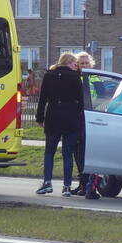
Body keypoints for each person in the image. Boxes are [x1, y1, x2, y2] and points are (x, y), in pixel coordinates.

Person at [35, 53, 84, 196]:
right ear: (68, 62)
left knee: (49, 152)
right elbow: (81, 100)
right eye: (74, 63)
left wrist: (40, 118)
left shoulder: (49, 76)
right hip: (71, 118)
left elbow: (42, 99)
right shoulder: (75, 77)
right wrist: (79, 115)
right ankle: (67, 186)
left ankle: (47, 183)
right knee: (67, 154)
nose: (76, 66)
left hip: (53, 117)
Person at [73, 52, 100, 199]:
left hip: (91, 118)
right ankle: (82, 183)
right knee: (77, 151)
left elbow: (102, 98)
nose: (84, 65)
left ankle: (87, 184)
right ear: (77, 65)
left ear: (91, 64)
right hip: (77, 117)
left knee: (85, 152)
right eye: (81, 63)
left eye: (86, 63)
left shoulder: (96, 78)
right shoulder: (75, 78)